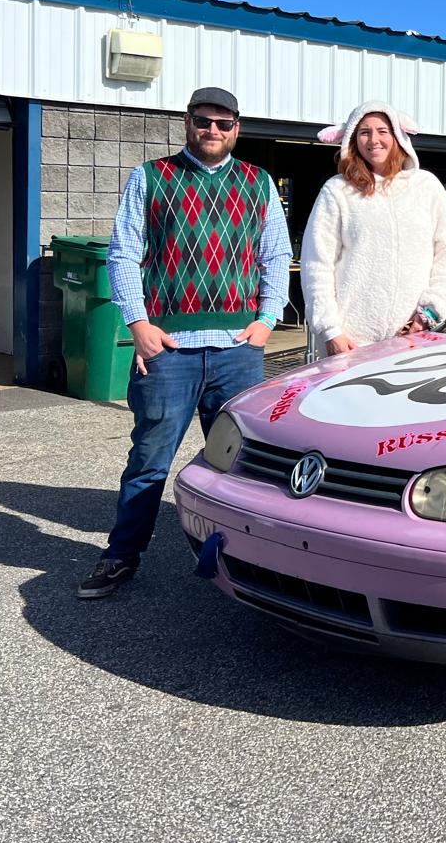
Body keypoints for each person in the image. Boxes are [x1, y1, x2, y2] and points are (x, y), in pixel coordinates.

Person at [79, 87, 291, 598]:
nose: (213, 131)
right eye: (204, 121)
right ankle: (122, 555)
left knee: (244, 462)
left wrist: (267, 319)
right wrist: (137, 323)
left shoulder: (258, 183)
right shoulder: (151, 178)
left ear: (237, 127)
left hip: (237, 349)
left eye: (224, 123)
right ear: (187, 122)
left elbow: (276, 255)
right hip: (168, 348)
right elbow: (124, 254)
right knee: (150, 457)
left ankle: (250, 558)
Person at [301, 100, 446, 356]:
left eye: (382, 131)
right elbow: (316, 264)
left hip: (415, 338)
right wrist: (330, 330)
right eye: (364, 132)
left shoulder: (426, 187)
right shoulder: (338, 190)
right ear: (353, 140)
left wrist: (429, 313)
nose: (373, 139)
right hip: (352, 343)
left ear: (398, 136)